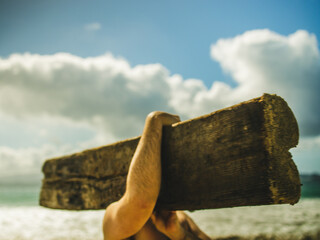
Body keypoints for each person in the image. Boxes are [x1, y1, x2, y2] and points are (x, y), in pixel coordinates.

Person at [103, 111, 211, 240]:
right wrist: (154, 121)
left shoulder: (179, 219)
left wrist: (179, 234)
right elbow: (141, 201)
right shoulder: (114, 216)